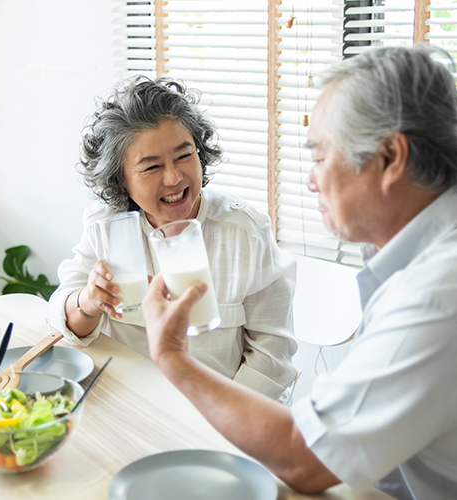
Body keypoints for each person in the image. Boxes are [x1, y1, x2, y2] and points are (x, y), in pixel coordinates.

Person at [140, 45, 457, 499]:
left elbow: (303, 459)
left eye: (320, 157)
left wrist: (173, 356)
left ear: (391, 157)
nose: (312, 180)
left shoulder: (445, 299)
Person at [47, 75, 298, 401]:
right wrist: (89, 301)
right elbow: (63, 320)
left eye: (184, 156)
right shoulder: (107, 227)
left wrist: (220, 419)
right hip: (130, 404)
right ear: (120, 180)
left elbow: (273, 355)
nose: (175, 177)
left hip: (221, 414)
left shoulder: (244, 231)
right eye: (151, 167)